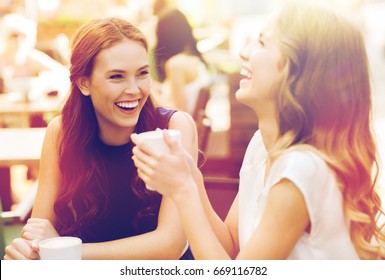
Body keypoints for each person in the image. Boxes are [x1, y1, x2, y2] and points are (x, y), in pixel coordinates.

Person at [131, 0, 385, 259]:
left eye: (262, 43)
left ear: (297, 71)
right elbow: (231, 244)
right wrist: (192, 178)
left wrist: (183, 190)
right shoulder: (261, 146)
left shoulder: (302, 168)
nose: (244, 52)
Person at [4, 17, 198, 260]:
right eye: (116, 77)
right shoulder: (61, 132)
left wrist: (63, 250)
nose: (134, 89)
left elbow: (170, 246)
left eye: (142, 73)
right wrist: (28, 251)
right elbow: (40, 231)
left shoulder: (173, 128)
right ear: (84, 83)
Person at [153, 8, 212, 116]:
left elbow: (179, 111)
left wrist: (152, 94)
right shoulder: (194, 59)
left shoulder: (175, 64)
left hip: (178, 129)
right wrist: (157, 88)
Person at [0, 13, 68, 96]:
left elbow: (64, 74)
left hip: (32, 107)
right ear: (4, 36)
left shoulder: (31, 57)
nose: (18, 40)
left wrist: (43, 81)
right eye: (14, 36)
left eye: (23, 35)